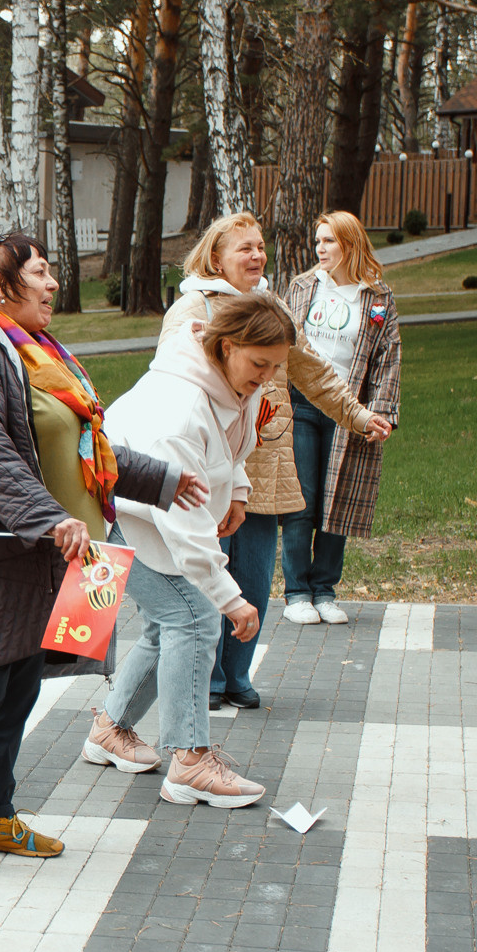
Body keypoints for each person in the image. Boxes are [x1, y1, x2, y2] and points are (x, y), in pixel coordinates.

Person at [0, 234, 205, 882]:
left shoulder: (38, 352)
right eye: (39, 273)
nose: (51, 285)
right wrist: (47, 518)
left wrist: (159, 479)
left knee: (15, 682)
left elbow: (76, 445)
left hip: (41, 547)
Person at [160, 212, 391, 708]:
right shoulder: (193, 307)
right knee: (209, 577)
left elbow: (314, 369)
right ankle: (208, 680)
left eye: (260, 246)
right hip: (208, 472)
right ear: (216, 256)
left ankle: (236, 677)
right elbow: (169, 385)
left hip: (263, 473)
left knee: (256, 579)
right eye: (245, 248)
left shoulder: (270, 305)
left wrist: (357, 415)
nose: (257, 255)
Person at [83, 293, 298, 809]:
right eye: (258, 363)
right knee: (196, 617)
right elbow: (183, 525)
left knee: (170, 623)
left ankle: (110, 729)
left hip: (144, 517)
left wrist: (238, 491)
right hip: (117, 520)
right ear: (226, 347)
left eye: (276, 366)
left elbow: (230, 445)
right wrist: (230, 597)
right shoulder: (179, 410)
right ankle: (191, 761)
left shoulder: (223, 379)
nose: (266, 377)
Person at [280, 211, 402, 625]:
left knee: (339, 499)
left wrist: (380, 414)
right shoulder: (301, 287)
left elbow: (389, 360)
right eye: (318, 241)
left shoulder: (378, 298)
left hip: (350, 409)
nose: (320, 249)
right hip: (299, 404)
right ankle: (296, 592)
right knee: (302, 498)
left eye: (329, 241)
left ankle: (324, 591)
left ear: (349, 244)